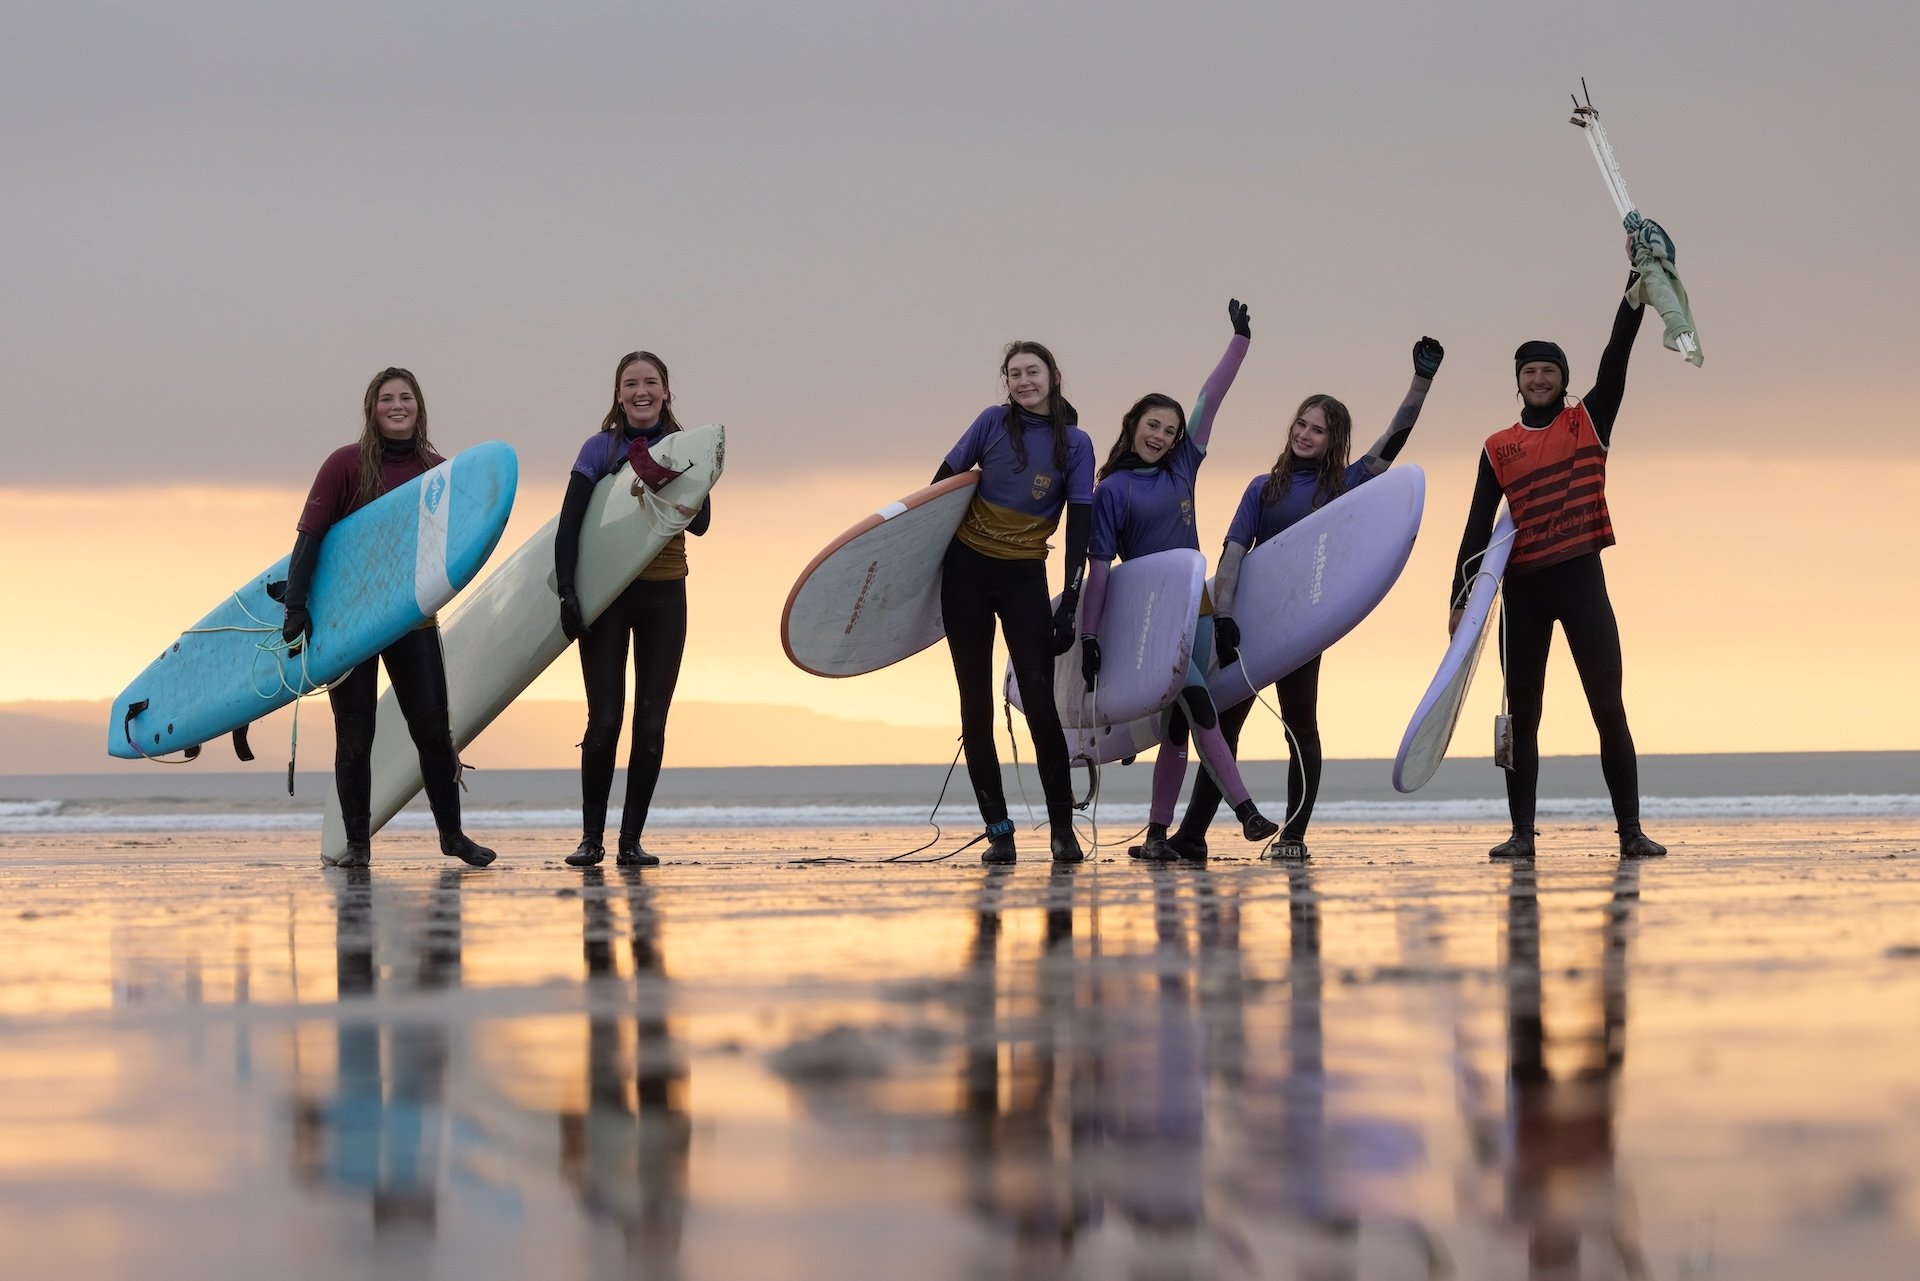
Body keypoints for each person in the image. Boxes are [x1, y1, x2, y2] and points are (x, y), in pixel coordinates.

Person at [1149, 337, 1445, 863]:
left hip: (1303, 627)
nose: (1305, 435)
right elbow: (1234, 554)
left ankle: (1295, 833)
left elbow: (1391, 443)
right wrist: (1225, 619)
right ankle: (1192, 836)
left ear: (1334, 441)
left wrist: (1420, 382)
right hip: (1248, 626)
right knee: (1224, 727)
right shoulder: (1263, 488)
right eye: (1301, 424)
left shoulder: (1346, 486)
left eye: (1318, 429)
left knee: (1300, 726)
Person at [1452, 238, 1668, 861]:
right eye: (1529, 372)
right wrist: (1459, 598)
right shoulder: (1498, 446)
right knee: (1522, 718)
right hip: (1523, 589)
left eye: (1548, 372)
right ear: (1517, 382)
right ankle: (1522, 834)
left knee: (1608, 707)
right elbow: (1474, 529)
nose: (1539, 379)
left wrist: (1636, 285)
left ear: (1563, 381)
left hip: (1581, 581)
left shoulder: (1588, 422)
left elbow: (1617, 358)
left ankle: (1630, 832)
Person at [1080, 300, 1279, 859]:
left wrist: (1239, 342)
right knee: (1199, 704)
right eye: (1153, 426)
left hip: (1203, 613)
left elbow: (1208, 399)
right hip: (1156, 617)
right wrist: (1092, 636)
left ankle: (1156, 837)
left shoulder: (1183, 466)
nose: (1162, 436)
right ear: (1134, 426)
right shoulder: (1111, 491)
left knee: (1176, 728)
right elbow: (1100, 570)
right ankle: (1246, 810)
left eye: (1169, 430)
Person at [281, 368, 496, 869]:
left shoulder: (438, 471)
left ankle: (453, 835)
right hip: (351, 623)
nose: (397, 406)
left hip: (411, 621)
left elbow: (456, 544)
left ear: (419, 406)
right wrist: (295, 604)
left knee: (433, 733)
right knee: (355, 737)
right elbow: (310, 536)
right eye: (386, 399)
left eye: (406, 398)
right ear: (371, 409)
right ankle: (358, 845)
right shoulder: (345, 465)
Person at [934, 341, 1095, 865]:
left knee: (1040, 705)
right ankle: (999, 831)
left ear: (1053, 375)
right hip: (965, 573)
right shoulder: (989, 423)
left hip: (1025, 575)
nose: (1024, 381)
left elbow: (1079, 531)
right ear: (1006, 381)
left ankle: (1062, 830)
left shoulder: (1076, 443)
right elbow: (940, 489)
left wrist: (1070, 603)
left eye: (1033, 371)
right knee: (974, 707)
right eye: (1015, 374)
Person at [556, 351, 712, 868]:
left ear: (666, 390)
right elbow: (569, 524)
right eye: (630, 384)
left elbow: (701, 522)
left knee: (651, 725)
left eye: (650, 383)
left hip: (665, 596)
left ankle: (630, 842)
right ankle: (590, 839)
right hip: (608, 595)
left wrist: (665, 467)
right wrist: (568, 595)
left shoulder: (683, 448)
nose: (640, 392)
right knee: (604, 721)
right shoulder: (599, 449)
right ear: (618, 394)